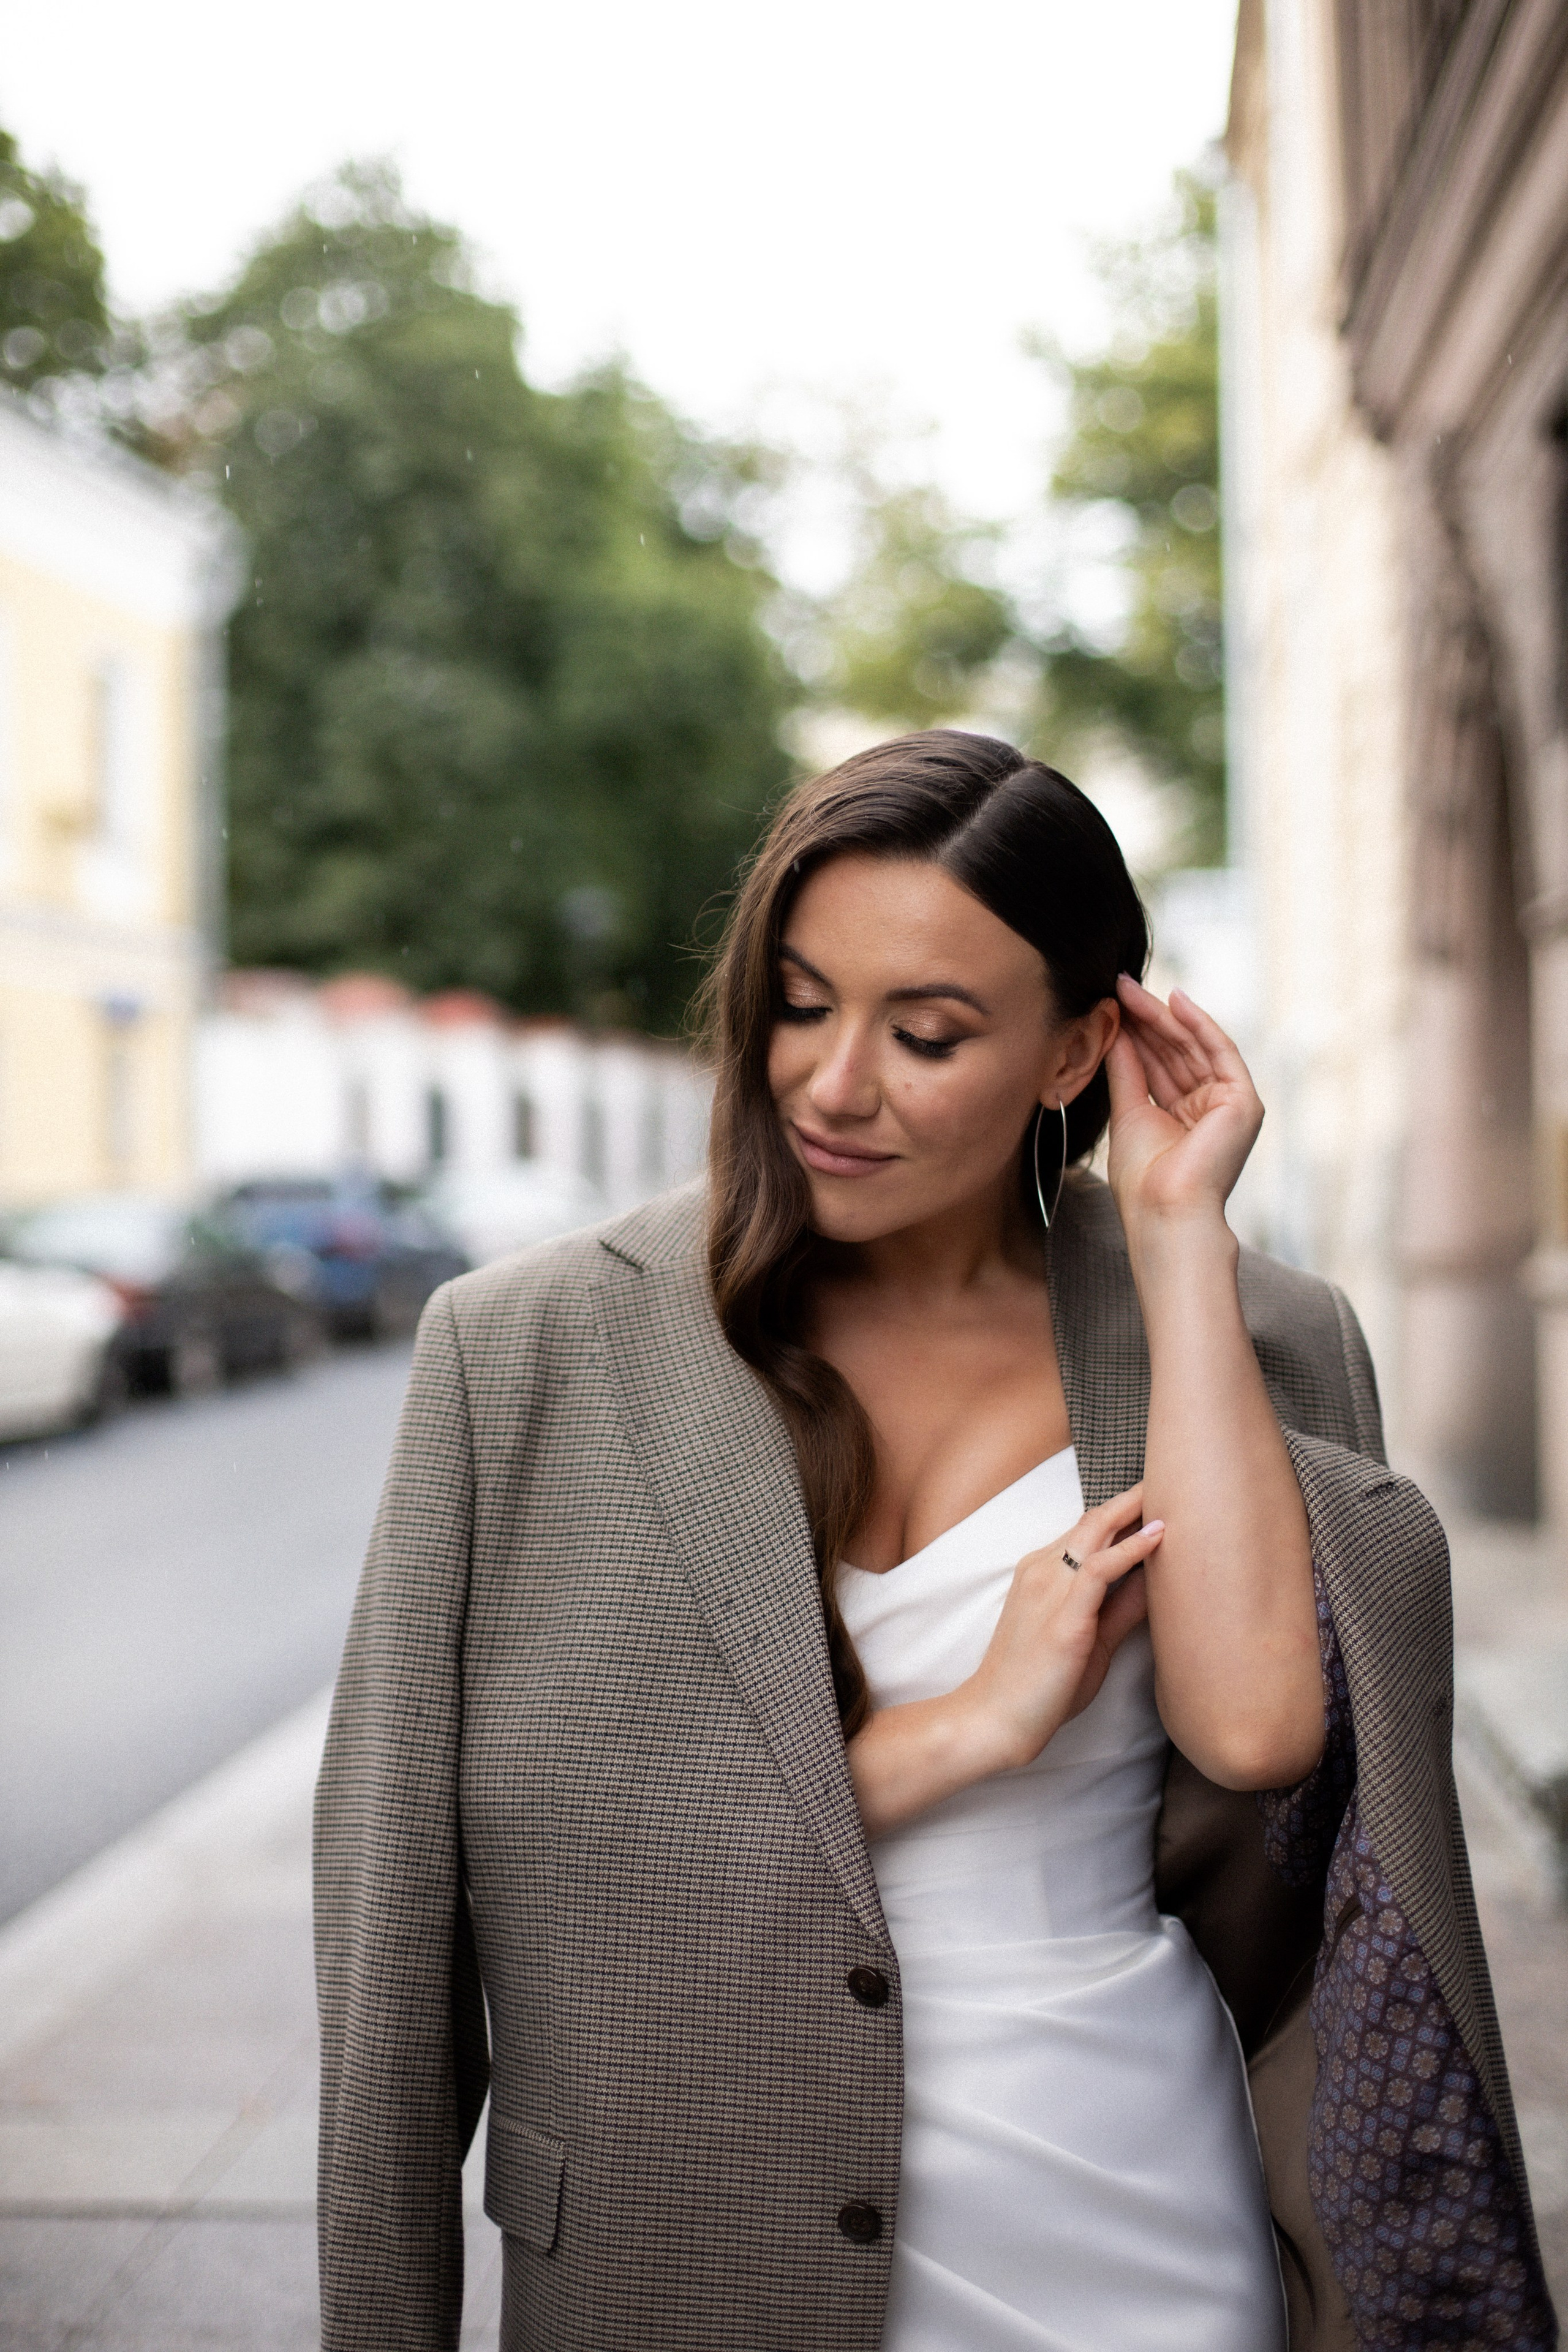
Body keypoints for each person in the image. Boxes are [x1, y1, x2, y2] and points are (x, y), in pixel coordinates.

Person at [315, 730, 1556, 2352]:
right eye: (803, 1001)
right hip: (683, 2231)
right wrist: (967, 1728)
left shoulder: (1259, 1335)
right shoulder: (526, 1350)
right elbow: (421, 1922)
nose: (832, 1084)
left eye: (927, 1033)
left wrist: (1181, 1239)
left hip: (1126, 2200)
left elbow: (1260, 1735)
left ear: (1074, 1052)